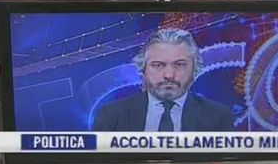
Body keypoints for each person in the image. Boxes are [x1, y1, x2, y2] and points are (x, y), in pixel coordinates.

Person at [92, 29, 235, 131]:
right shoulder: (111, 115)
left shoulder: (218, 116)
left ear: (195, 70)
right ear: (143, 70)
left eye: (179, 65)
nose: (169, 75)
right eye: (158, 65)